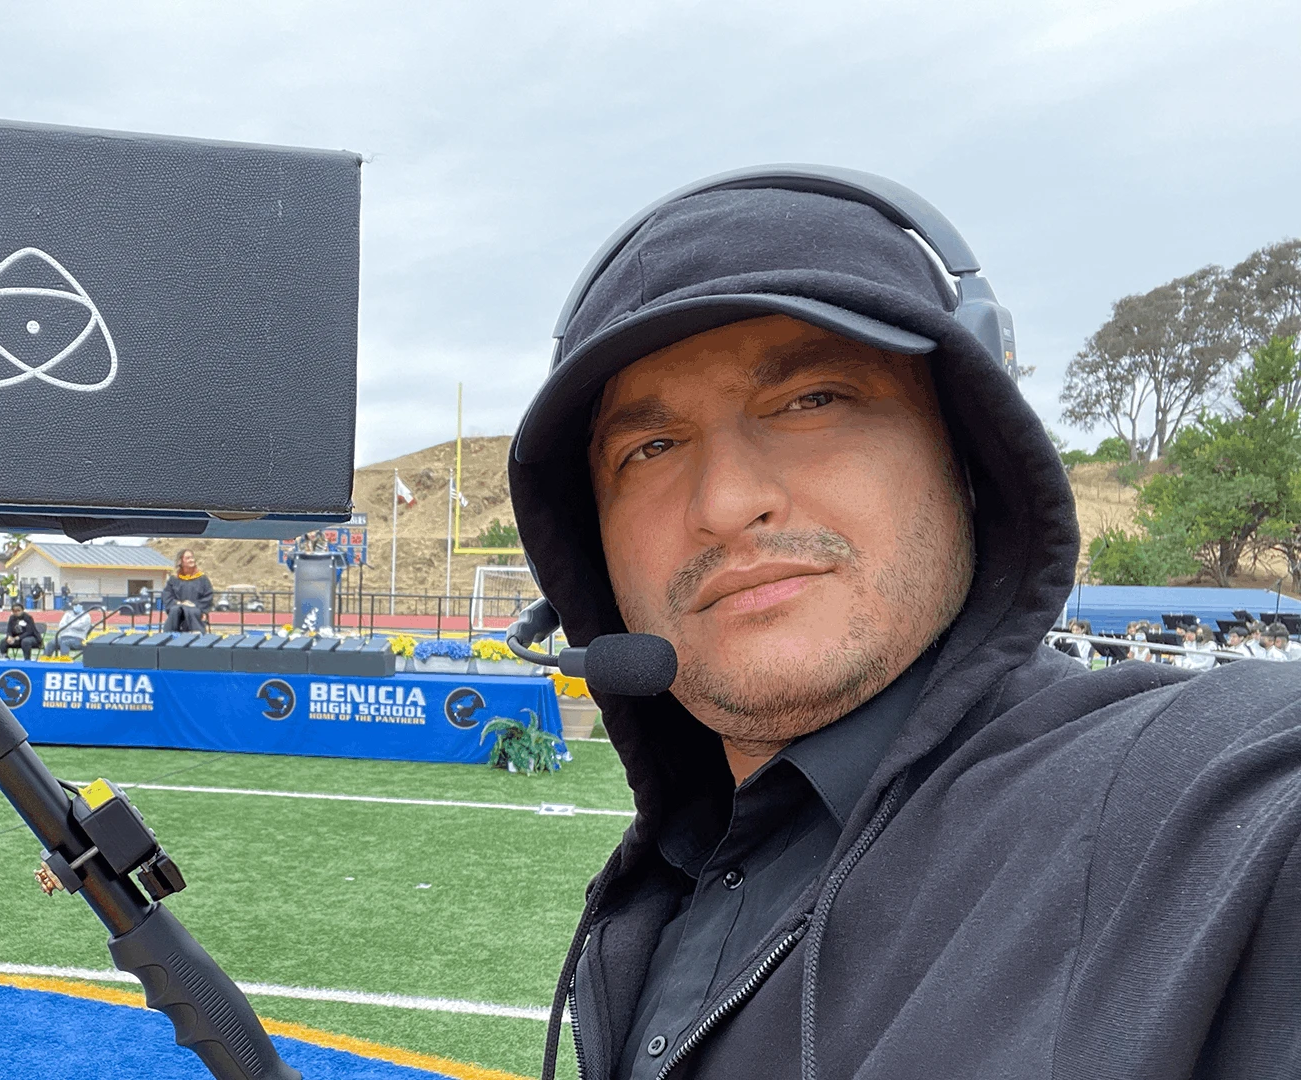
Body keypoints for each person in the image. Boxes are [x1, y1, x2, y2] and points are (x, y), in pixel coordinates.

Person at [506, 176, 1301, 1080]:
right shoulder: (672, 880)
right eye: (650, 448)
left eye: (813, 400)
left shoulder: (1193, 813)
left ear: (970, 458)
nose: (727, 503)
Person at [161, 550, 213, 633]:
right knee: (175, 610)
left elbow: (208, 596)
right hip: (178, 609)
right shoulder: (174, 579)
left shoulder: (202, 579)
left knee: (191, 610)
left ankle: (197, 636)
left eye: (192, 557)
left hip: (196, 609)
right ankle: (169, 636)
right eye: (188, 558)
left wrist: (194, 604)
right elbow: (167, 595)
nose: (191, 560)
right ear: (181, 561)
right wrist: (178, 603)